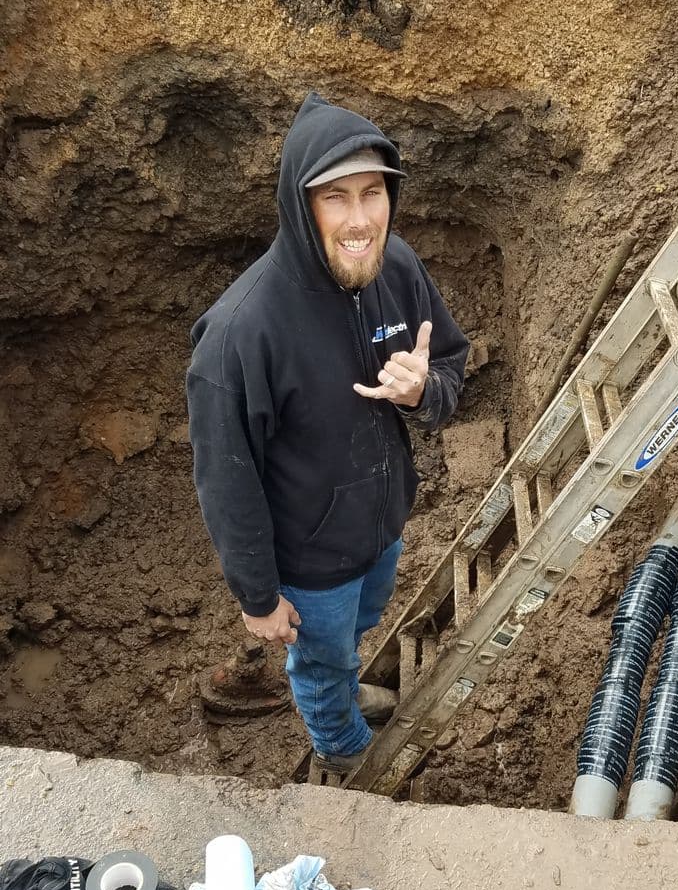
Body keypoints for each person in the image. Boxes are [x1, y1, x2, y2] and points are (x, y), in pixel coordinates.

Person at [186, 93, 469, 773]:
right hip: (310, 564)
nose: (360, 219)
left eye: (373, 193)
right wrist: (259, 596)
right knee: (318, 660)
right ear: (298, 203)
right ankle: (340, 745)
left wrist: (421, 393)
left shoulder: (396, 268)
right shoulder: (240, 336)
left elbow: (451, 366)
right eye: (335, 197)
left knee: (355, 630)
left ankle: (342, 675)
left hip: (381, 525)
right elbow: (227, 477)